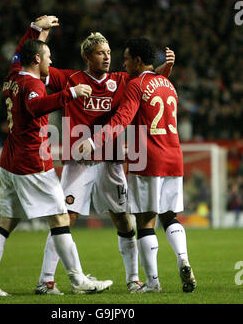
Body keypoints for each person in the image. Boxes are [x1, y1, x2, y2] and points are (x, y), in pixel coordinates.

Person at [0, 15, 113, 296]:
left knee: (4, 221)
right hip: (32, 163)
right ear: (37, 60)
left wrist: (37, 30)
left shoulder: (14, 74)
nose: (51, 60)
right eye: (47, 55)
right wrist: (70, 92)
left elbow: (21, 50)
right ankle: (78, 280)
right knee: (61, 218)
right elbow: (37, 107)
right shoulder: (34, 86)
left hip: (9, 160)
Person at [35, 30, 175, 294]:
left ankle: (133, 280)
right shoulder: (69, 79)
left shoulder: (121, 80)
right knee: (65, 218)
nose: (107, 57)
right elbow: (36, 63)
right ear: (88, 56)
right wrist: (38, 35)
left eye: (110, 53)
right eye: (101, 53)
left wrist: (166, 67)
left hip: (111, 161)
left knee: (123, 219)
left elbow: (149, 81)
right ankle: (46, 281)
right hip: (79, 163)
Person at [79, 36, 196, 293]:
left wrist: (96, 141)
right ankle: (183, 259)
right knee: (170, 215)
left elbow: (122, 118)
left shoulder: (135, 85)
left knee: (144, 220)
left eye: (127, 59)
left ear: (138, 61)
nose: (123, 63)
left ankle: (152, 283)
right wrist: (166, 70)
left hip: (148, 157)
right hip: (175, 156)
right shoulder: (168, 83)